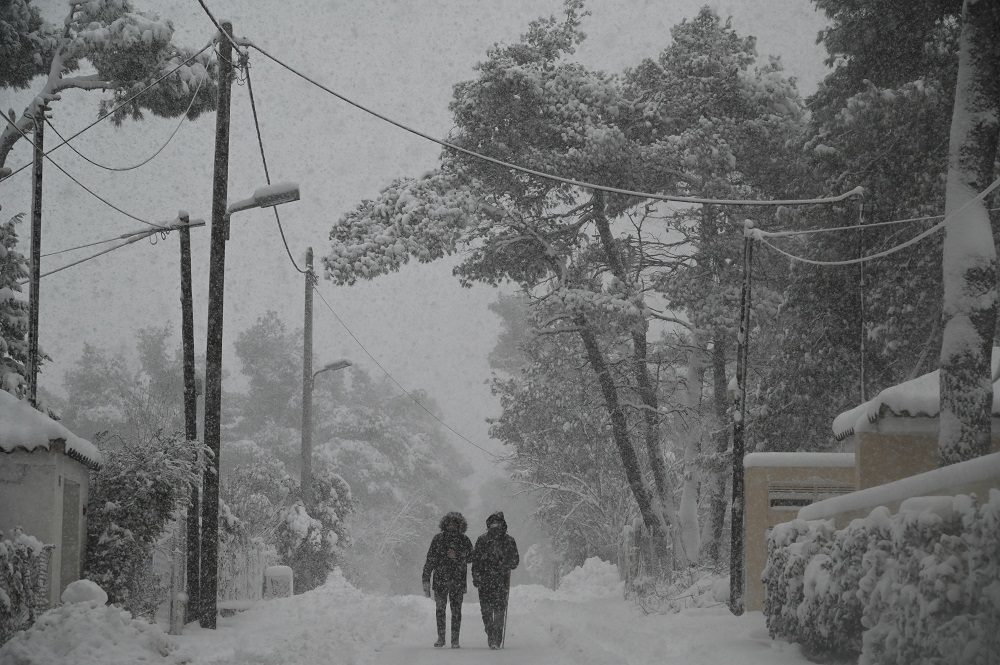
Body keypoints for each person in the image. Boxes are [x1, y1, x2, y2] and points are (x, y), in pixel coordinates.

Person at [422, 511, 473, 649]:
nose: (451, 526)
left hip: (458, 581)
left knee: (456, 611)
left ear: (459, 525)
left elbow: (471, 557)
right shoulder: (438, 539)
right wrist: (425, 578)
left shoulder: (464, 540)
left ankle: (455, 640)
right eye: (449, 523)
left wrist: (458, 555)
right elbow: (430, 560)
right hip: (440, 581)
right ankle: (441, 638)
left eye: (454, 523)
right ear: (445, 524)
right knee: (440, 610)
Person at [471, 511, 519, 649]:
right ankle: (490, 633)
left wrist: (505, 564)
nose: (495, 525)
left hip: (501, 582)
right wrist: (476, 577)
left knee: (499, 612)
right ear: (488, 524)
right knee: (486, 612)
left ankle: (496, 639)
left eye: (497, 522)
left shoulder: (509, 540)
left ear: (503, 524)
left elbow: (515, 561)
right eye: (492, 523)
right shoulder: (482, 540)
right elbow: (476, 561)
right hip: (484, 582)